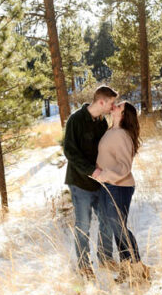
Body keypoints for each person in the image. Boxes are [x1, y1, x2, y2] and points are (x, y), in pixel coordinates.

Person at [63, 85, 118, 280]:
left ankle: (105, 258)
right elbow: (69, 151)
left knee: (107, 221)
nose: (113, 107)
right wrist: (92, 171)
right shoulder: (75, 120)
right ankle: (83, 266)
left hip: (100, 183)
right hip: (80, 184)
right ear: (101, 102)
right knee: (83, 225)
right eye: (111, 103)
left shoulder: (102, 122)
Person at [92, 101, 150, 283]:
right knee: (117, 229)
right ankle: (127, 269)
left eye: (119, 106)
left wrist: (102, 174)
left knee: (119, 228)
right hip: (109, 186)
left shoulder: (122, 135)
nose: (114, 106)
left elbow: (125, 167)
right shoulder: (111, 130)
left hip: (120, 186)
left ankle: (139, 269)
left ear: (123, 115)